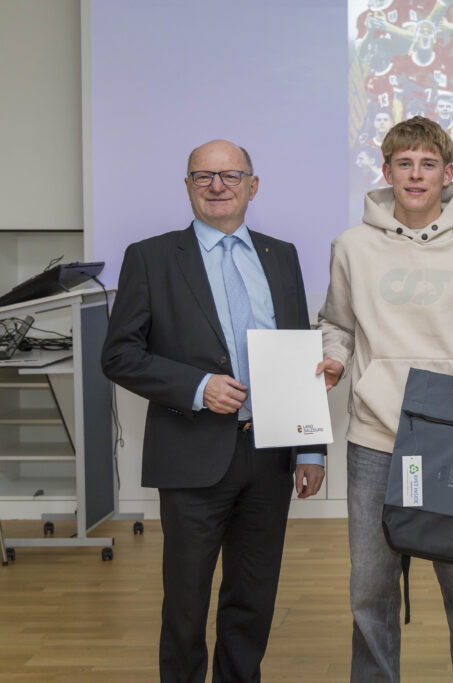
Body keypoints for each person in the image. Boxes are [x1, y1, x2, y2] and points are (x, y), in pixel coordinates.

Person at [317, 116, 453, 683]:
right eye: (404, 164)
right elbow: (337, 324)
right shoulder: (351, 247)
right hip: (375, 439)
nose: (416, 175)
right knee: (370, 592)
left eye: (428, 164)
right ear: (387, 171)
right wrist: (335, 357)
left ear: (448, 172)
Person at [101, 139, 326, 682]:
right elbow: (119, 355)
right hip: (191, 453)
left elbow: (300, 351)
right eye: (203, 176)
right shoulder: (151, 257)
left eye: (230, 176)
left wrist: (310, 447)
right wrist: (198, 386)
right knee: (185, 603)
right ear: (187, 187)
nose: (217, 186)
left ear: (253, 186)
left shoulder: (281, 255)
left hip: (270, 455)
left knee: (253, 598)